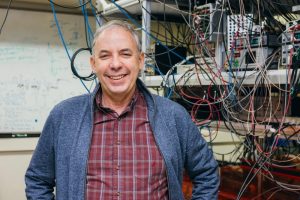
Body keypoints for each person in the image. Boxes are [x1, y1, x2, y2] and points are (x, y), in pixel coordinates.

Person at [25, 20, 219, 200]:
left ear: (141, 61)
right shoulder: (64, 116)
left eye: (125, 54)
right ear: (93, 64)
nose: (115, 64)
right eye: (105, 55)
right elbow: (37, 180)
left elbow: (207, 173)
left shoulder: (173, 116)